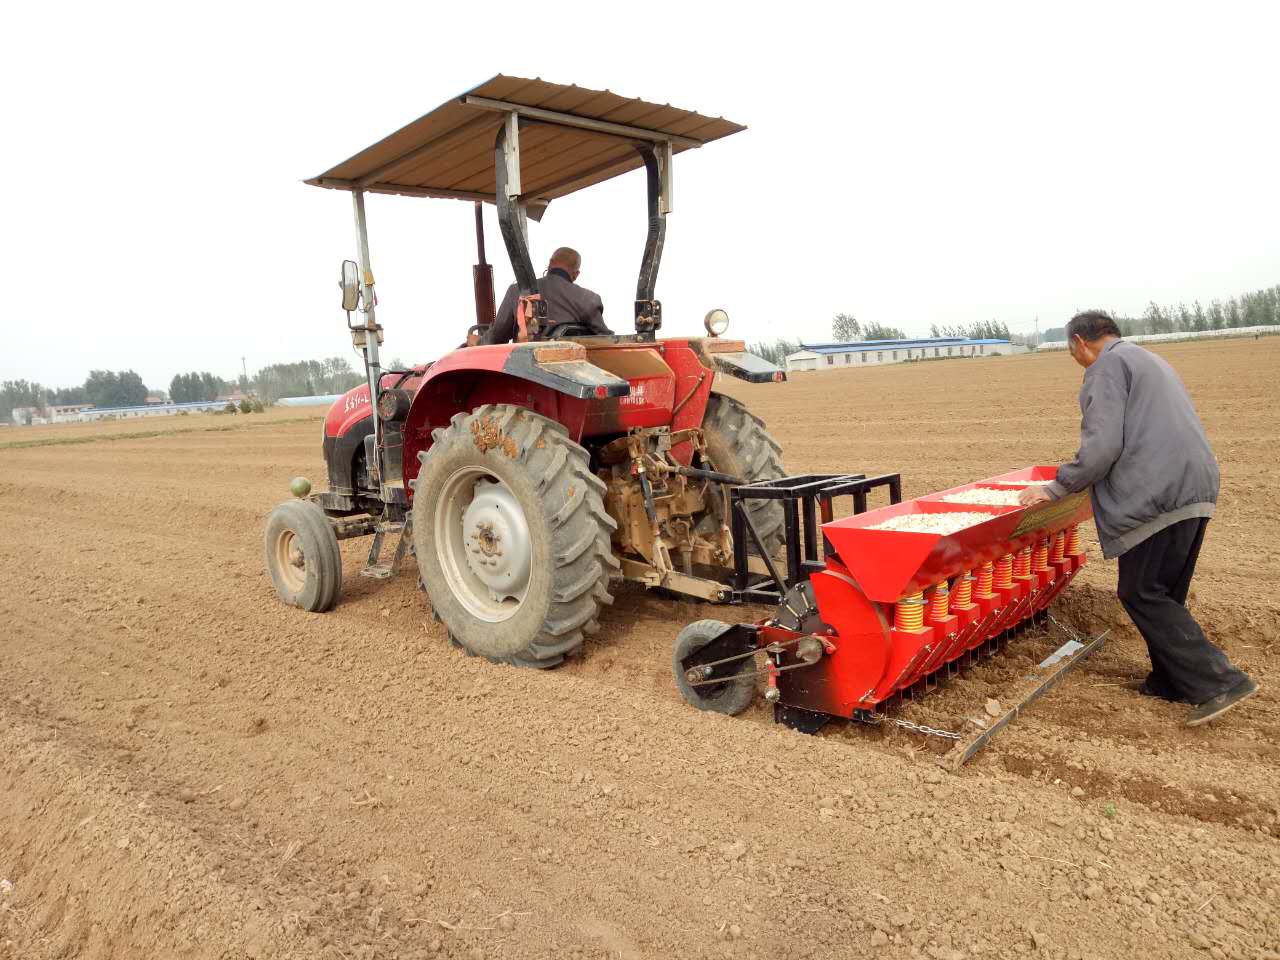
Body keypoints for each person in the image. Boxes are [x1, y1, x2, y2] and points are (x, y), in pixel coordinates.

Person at [1019, 310, 1257, 726]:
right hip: (1194, 485)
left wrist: (1057, 487)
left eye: (1070, 350)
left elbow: (1103, 446)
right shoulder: (1148, 359)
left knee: (1140, 592)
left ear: (1079, 342)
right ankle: (1169, 680)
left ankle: (1219, 681)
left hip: (1154, 494)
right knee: (1165, 592)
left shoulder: (1105, 368)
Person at [483, 247, 612, 344]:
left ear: (550, 262)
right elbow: (605, 338)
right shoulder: (589, 299)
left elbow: (498, 335)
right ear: (576, 274)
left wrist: (477, 342)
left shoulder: (517, 291)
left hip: (524, 371)